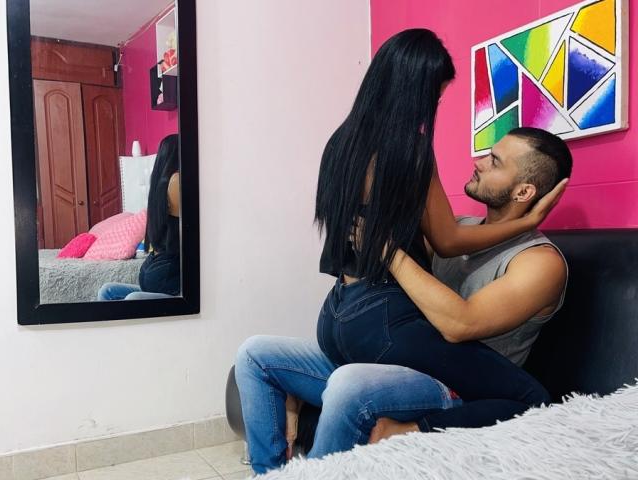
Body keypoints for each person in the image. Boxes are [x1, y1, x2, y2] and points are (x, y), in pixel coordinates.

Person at [235, 27, 568, 475]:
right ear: (419, 90)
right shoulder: (409, 151)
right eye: (437, 95)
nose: (478, 159)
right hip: (384, 321)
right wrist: (527, 221)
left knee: (255, 355)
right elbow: (448, 240)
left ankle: (270, 471)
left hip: (338, 310)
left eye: (494, 160)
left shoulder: (342, 143)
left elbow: (454, 301)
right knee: (533, 398)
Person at [293, 127, 571, 454]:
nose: (479, 162)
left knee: (535, 402)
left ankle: (410, 431)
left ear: (523, 192)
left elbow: (460, 324)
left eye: (494, 161)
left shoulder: (540, 262)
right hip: (413, 364)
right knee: (266, 360)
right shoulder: (458, 230)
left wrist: (387, 250)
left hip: (469, 389)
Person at [97, 134, 181, 300]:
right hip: (166, 274)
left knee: (111, 292)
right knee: (120, 295)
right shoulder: (176, 182)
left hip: (152, 267)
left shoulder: (158, 185)